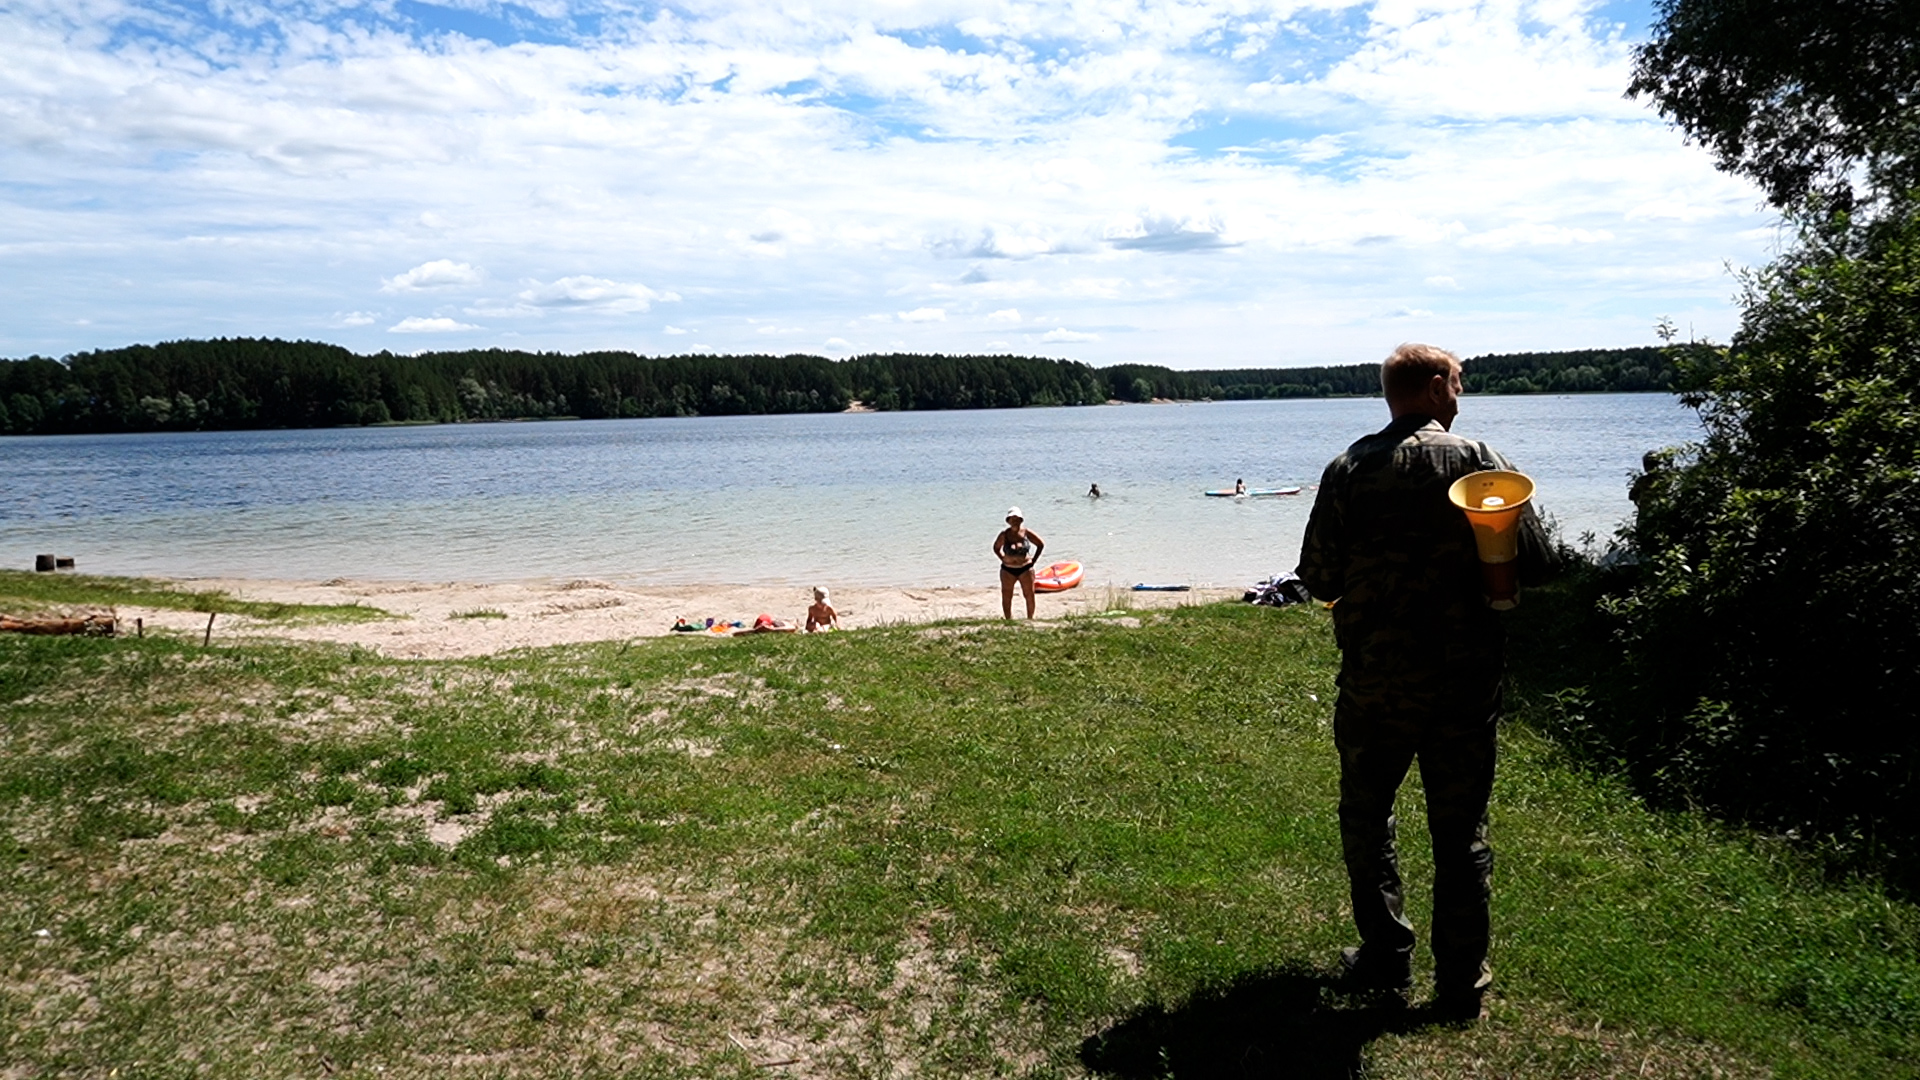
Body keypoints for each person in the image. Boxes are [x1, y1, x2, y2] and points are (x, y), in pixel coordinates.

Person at [1295, 343, 1553, 1021]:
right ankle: (1462, 983)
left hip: (1377, 680)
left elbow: (1317, 575)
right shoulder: (1477, 459)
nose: (1462, 391)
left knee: (1366, 816)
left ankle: (1385, 956)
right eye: (1458, 380)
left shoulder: (1350, 466)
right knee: (1461, 829)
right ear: (1436, 387)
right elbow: (1538, 559)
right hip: (1464, 680)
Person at [993, 507, 1045, 619]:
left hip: (1025, 568)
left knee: (1029, 594)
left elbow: (1040, 544)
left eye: (1017, 519)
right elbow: (996, 548)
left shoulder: (1026, 533)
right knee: (1007, 595)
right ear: (1008, 520)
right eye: (1012, 519)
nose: (1014, 521)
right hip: (1008, 569)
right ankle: (1008, 619)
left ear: (1021, 520)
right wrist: (1003, 558)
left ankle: (1030, 618)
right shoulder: (1004, 535)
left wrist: (1033, 560)